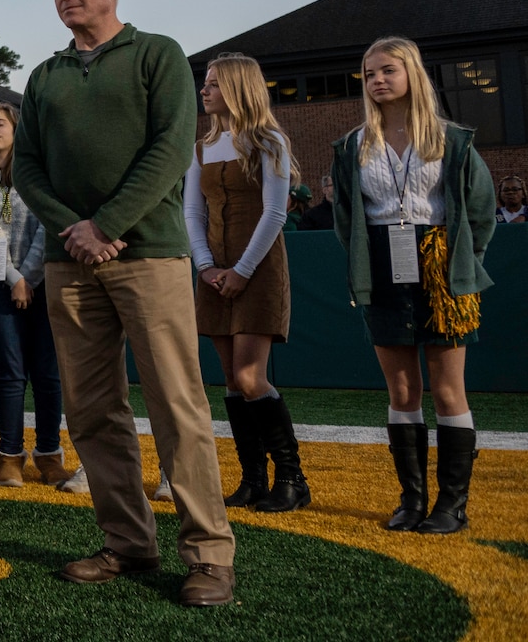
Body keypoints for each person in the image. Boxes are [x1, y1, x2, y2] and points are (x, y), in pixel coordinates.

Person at [14, 0, 235, 607]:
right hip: (69, 263)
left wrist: (105, 224)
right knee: (90, 410)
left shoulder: (156, 54)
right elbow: (25, 168)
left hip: (147, 254)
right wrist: (72, 229)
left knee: (175, 403)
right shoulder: (45, 75)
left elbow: (170, 147)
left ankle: (207, 556)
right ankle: (127, 543)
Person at [331, 36, 496, 535]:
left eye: (387, 70)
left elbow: (482, 210)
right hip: (381, 264)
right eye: (369, 73)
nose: (377, 80)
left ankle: (451, 505)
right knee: (402, 388)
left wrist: (461, 263)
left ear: (412, 75)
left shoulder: (453, 138)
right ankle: (411, 501)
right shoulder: (352, 145)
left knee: (448, 389)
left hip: (442, 264)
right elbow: (344, 216)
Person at [185, 55, 310, 513]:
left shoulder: (269, 140)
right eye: (205, 83)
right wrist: (205, 266)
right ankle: (254, 480)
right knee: (232, 383)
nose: (206, 90)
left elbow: (276, 213)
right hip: (214, 271)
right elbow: (191, 212)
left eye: (214, 84)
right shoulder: (201, 146)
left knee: (248, 376)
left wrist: (241, 270)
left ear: (238, 88)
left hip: (256, 270)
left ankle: (292, 479)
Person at [0, 102, 71, 489]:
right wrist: (13, 279)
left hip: (43, 281)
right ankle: (9, 456)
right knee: (11, 373)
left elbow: (49, 224)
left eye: (0, 124)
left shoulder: (37, 172)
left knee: (47, 373)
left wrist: (28, 276)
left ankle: (49, 455)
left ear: (16, 129)